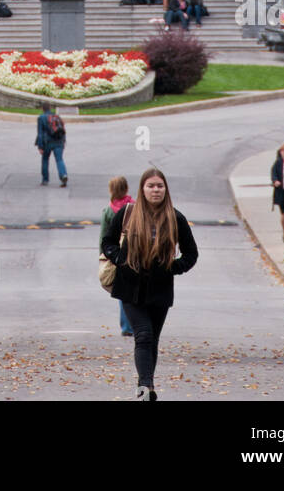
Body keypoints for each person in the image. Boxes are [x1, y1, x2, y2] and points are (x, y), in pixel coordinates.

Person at [101, 166, 198, 401]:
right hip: (130, 288)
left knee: (152, 339)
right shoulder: (128, 213)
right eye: (151, 186)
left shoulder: (175, 218)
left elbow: (191, 254)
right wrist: (120, 259)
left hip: (159, 290)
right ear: (142, 189)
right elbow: (108, 241)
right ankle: (146, 388)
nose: (155, 190)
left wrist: (172, 268)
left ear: (165, 189)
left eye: (160, 186)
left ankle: (146, 383)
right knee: (142, 335)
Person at [99, 176, 134, 337]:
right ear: (126, 188)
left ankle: (126, 326)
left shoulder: (108, 211)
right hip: (134, 252)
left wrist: (103, 254)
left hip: (116, 255)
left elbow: (104, 236)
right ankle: (136, 323)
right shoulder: (134, 207)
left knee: (122, 290)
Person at [36, 100, 68, 187]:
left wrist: (40, 146)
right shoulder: (56, 116)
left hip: (47, 143)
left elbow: (40, 133)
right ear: (50, 108)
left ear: (42, 109)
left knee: (45, 159)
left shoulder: (41, 118)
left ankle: (45, 180)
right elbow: (62, 129)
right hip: (59, 141)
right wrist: (63, 141)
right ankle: (63, 175)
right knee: (59, 160)